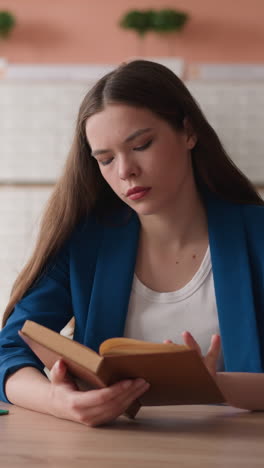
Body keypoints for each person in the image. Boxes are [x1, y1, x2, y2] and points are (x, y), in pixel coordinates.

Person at [1, 60, 264, 427]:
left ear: (188, 131)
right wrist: (59, 401)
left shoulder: (256, 235)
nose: (125, 171)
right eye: (105, 160)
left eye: (141, 145)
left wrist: (213, 387)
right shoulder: (84, 244)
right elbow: (9, 348)